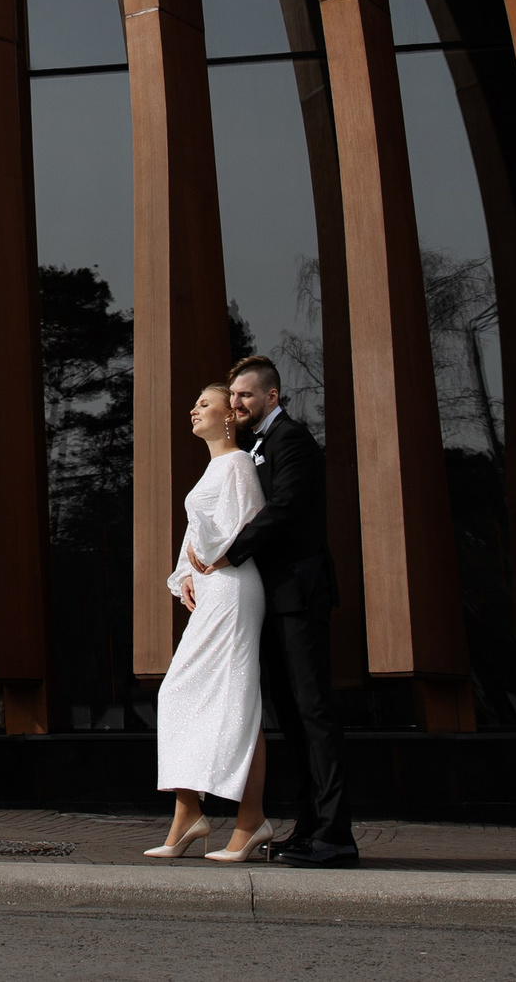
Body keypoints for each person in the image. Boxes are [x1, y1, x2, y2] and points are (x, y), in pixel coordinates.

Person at [189, 354, 356, 867]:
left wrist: (229, 552)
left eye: (244, 395)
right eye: (232, 395)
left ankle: (335, 836)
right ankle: (308, 831)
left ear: (271, 398)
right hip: (274, 599)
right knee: (292, 718)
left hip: (300, 595)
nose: (235, 402)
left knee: (314, 714)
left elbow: (284, 508)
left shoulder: (293, 440)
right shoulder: (256, 446)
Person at [145, 382, 277, 862]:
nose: (193, 410)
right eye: (194, 402)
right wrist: (184, 575)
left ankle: (251, 819)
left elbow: (249, 524)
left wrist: (210, 560)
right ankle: (188, 813)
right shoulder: (213, 468)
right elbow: (194, 538)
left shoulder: (239, 464)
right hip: (213, 590)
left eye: (204, 404)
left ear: (228, 417)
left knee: (237, 700)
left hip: (236, 588)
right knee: (178, 692)